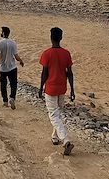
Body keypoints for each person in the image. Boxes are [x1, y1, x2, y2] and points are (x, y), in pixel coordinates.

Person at [38, 27, 75, 155]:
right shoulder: (66, 53)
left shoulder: (47, 53)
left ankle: (65, 140)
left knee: (53, 115)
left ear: (51, 38)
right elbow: (70, 73)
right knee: (57, 114)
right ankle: (55, 137)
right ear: (61, 38)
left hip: (51, 88)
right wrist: (72, 90)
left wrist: (40, 87)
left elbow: (44, 73)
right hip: (62, 88)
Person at [0, 26, 24, 109]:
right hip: (12, 68)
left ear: (3, 33)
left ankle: (5, 101)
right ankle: (12, 98)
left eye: (1, 31)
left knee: (3, 85)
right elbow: (16, 55)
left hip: (3, 68)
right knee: (13, 84)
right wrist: (21, 61)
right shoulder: (13, 43)